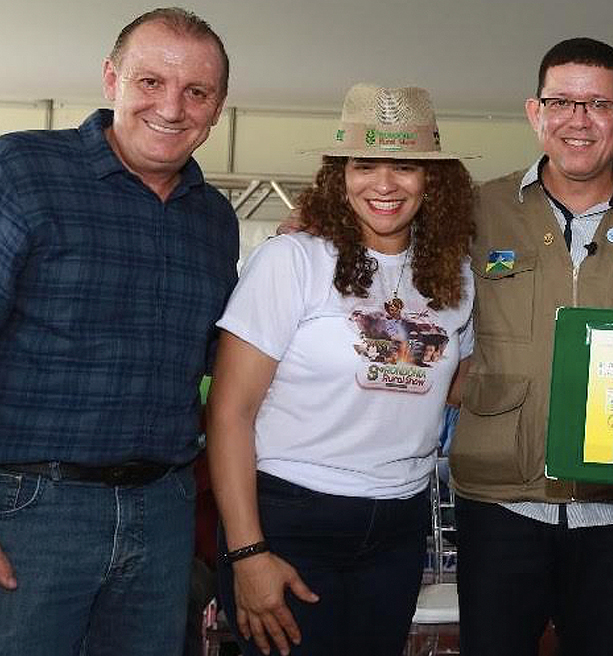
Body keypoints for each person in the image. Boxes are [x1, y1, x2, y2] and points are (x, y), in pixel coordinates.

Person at [207, 83, 475, 656]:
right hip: (291, 520)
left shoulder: (457, 278)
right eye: (365, 164)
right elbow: (230, 412)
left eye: (405, 166)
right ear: (340, 174)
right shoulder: (293, 260)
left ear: (433, 181)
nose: (383, 183)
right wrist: (246, 552)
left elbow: (457, 384)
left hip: (400, 528)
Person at [0, 8, 236, 656]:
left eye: (196, 92)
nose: (172, 107)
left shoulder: (215, 219)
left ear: (217, 106)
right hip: (30, 510)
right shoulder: (19, 171)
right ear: (111, 79)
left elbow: (226, 356)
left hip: (163, 516)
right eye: (150, 81)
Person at [448, 37, 613, 656]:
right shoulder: (472, 211)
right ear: (535, 112)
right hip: (500, 503)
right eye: (562, 102)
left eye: (598, 104)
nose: (578, 120)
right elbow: (400, 283)